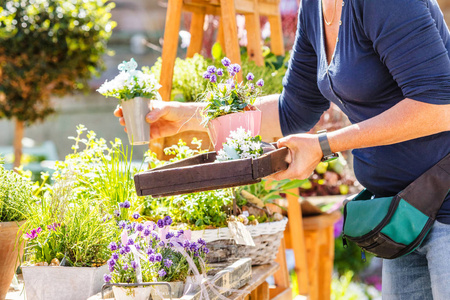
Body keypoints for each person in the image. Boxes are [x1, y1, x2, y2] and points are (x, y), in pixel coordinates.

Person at [115, 0, 450, 298]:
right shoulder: (315, 8)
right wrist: (186, 117)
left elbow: (439, 106)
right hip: (406, 213)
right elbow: (293, 111)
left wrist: (324, 145)